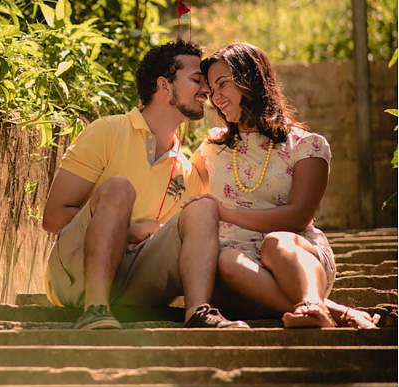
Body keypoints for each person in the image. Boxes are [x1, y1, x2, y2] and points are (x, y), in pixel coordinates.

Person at [42, 40, 248, 329]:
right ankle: (94, 310)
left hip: (135, 287)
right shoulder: (107, 131)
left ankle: (198, 312)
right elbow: (53, 217)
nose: (207, 91)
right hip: (76, 279)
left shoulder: (187, 172)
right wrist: (128, 230)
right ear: (164, 85)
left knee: (203, 207)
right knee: (118, 188)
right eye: (196, 80)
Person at [188, 42, 378, 329]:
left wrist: (225, 213)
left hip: (295, 261)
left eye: (223, 84)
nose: (216, 97)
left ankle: (311, 301)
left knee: (277, 242)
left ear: (250, 80)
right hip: (235, 274)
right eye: (212, 89)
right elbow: (182, 191)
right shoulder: (212, 148)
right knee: (226, 260)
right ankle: (331, 312)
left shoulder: (306, 146)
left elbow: (299, 216)